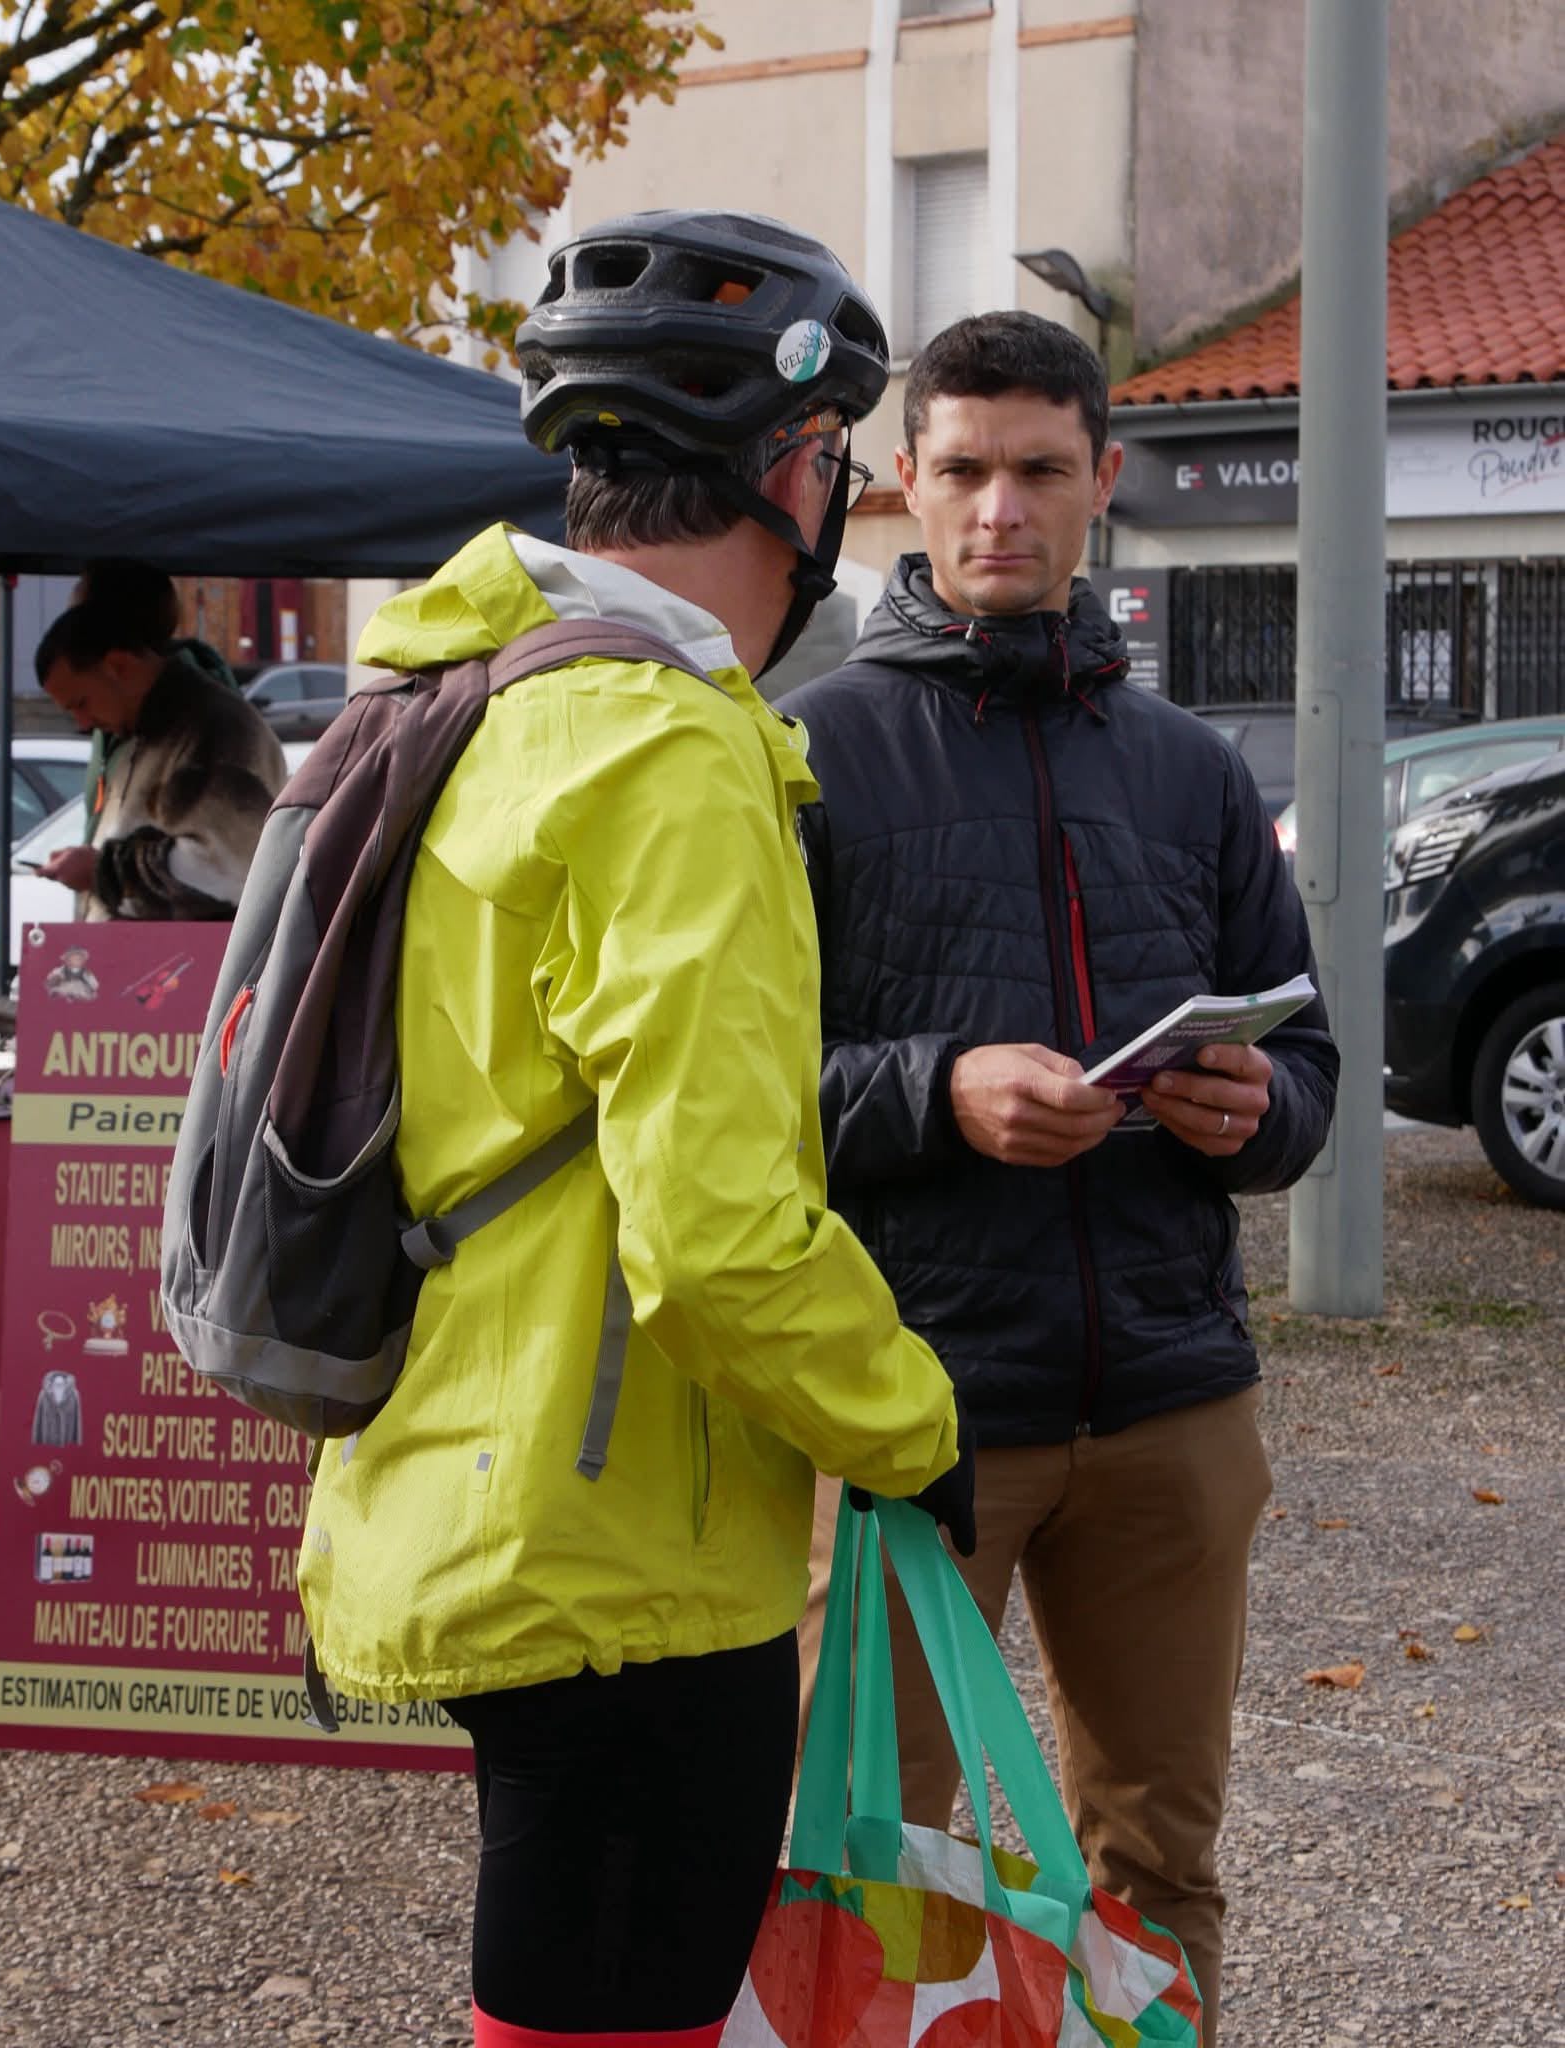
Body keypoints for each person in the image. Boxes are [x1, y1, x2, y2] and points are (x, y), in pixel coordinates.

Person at [295, 210, 975, 2048]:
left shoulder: (465, 698)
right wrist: (910, 1428)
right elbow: (720, 1234)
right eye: (839, 463)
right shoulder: (671, 752)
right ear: (794, 465)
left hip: (468, 1487)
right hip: (627, 1558)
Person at [779, 311, 1339, 2046]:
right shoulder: (804, 757)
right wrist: (937, 1089)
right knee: (874, 1862)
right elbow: (731, 1096)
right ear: (898, 487)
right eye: (960, 468)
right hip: (912, 1413)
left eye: (1036, 469)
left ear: (1102, 477)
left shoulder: (1183, 768)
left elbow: (1308, 1072)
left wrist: (1252, 1108)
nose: (998, 508)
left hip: (1171, 1401)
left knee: (1157, 1859)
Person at [33, 604, 285, 918]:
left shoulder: (213, 729)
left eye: (82, 703)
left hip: (192, 963)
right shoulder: (139, 734)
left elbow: (227, 874)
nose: (83, 723)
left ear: (118, 665)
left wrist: (103, 871)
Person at [70, 559, 240, 849]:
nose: (82, 721)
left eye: (77, 626)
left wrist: (98, 871)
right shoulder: (118, 719)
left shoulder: (202, 725)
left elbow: (216, 860)